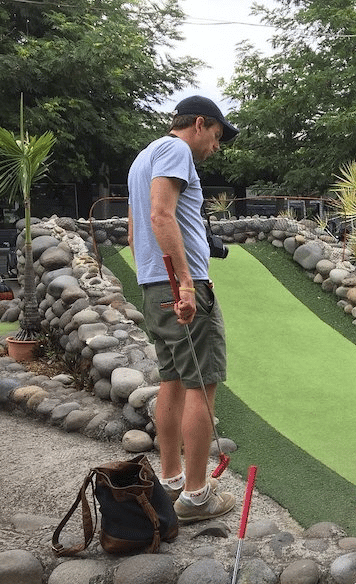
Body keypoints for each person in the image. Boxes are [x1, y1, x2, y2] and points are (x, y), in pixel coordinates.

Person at [127, 95, 239, 523]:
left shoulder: (144, 157)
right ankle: (196, 497)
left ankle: (172, 480)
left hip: (154, 284)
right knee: (201, 384)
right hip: (180, 287)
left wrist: (154, 278)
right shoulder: (175, 149)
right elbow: (159, 215)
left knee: (172, 382)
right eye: (214, 136)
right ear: (198, 123)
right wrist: (187, 284)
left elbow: (137, 228)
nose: (215, 146)